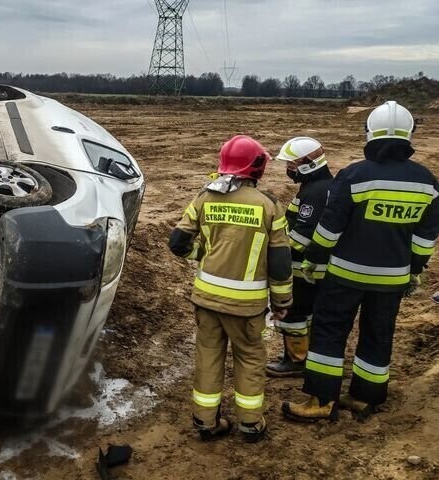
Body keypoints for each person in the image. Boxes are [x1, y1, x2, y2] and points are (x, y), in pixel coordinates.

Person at [283, 101, 439, 422]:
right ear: (409, 136)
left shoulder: (354, 175)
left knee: (329, 333)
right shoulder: (427, 183)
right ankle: (365, 399)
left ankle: (322, 400)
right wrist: (414, 270)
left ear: (369, 134)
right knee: (378, 335)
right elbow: (425, 238)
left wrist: (314, 259)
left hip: (345, 276)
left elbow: (328, 229)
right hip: (392, 280)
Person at [169, 135, 293, 442]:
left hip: (207, 299)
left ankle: (205, 422)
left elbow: (177, 243)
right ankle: (251, 424)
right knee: (250, 358)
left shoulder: (204, 198)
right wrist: (282, 300)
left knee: (208, 356)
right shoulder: (269, 207)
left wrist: (203, 255)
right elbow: (280, 262)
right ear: (258, 168)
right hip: (247, 306)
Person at [266, 137, 333, 377]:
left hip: (305, 269)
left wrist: (275, 250)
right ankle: (302, 356)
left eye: (292, 164)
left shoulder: (315, 192)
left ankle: (296, 361)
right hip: (313, 268)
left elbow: (302, 237)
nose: (288, 169)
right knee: (308, 314)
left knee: (295, 314)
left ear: (308, 163)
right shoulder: (317, 187)